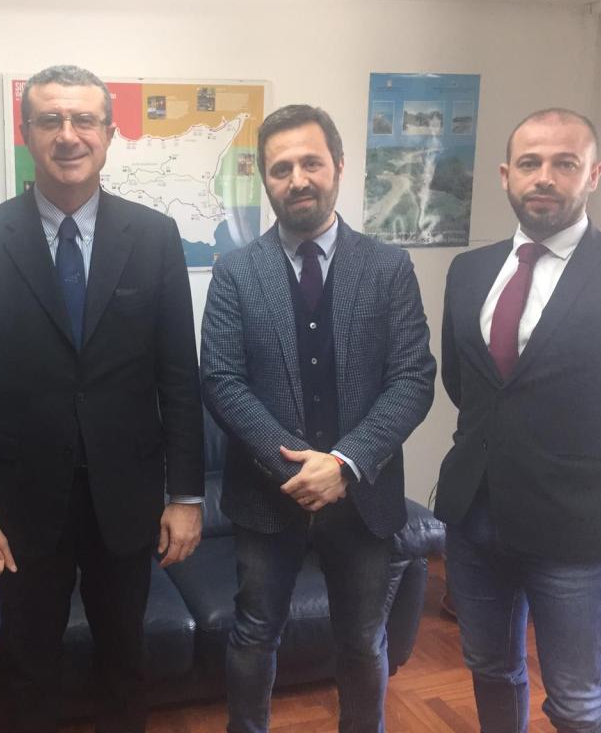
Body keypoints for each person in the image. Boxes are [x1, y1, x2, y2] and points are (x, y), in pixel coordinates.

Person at [0, 64, 204, 733]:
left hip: (127, 498)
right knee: (26, 663)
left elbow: (179, 376)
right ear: (26, 133)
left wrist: (186, 496)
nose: (68, 135)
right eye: (50, 120)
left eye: (84, 119)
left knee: (124, 660)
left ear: (109, 134)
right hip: (23, 503)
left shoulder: (154, 237)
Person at [200, 104, 436, 733]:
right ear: (265, 180)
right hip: (267, 496)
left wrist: (344, 464)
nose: (297, 179)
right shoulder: (235, 272)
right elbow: (221, 379)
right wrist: (296, 467)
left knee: (362, 641)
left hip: (363, 497)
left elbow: (413, 378)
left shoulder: (388, 269)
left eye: (311, 163)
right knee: (255, 635)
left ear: (339, 166)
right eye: (281, 168)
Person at [436, 108, 601, 733]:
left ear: (594, 174)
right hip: (475, 516)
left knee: (578, 701)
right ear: (506, 175)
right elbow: (466, 384)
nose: (545, 177)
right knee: (490, 667)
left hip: (576, 525)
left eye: (565, 163)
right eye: (530, 163)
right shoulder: (469, 271)